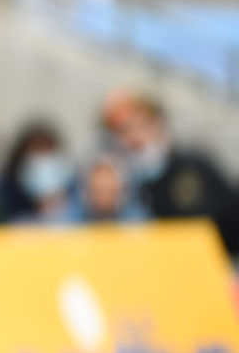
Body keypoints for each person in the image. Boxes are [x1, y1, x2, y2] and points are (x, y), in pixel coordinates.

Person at [102, 90, 239, 255]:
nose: (134, 138)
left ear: (158, 123)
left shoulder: (192, 168)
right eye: (123, 132)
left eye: (141, 126)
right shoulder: (126, 186)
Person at [0, 120, 76, 225]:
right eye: (36, 154)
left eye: (46, 153)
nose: (42, 164)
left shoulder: (76, 196)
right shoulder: (2, 198)